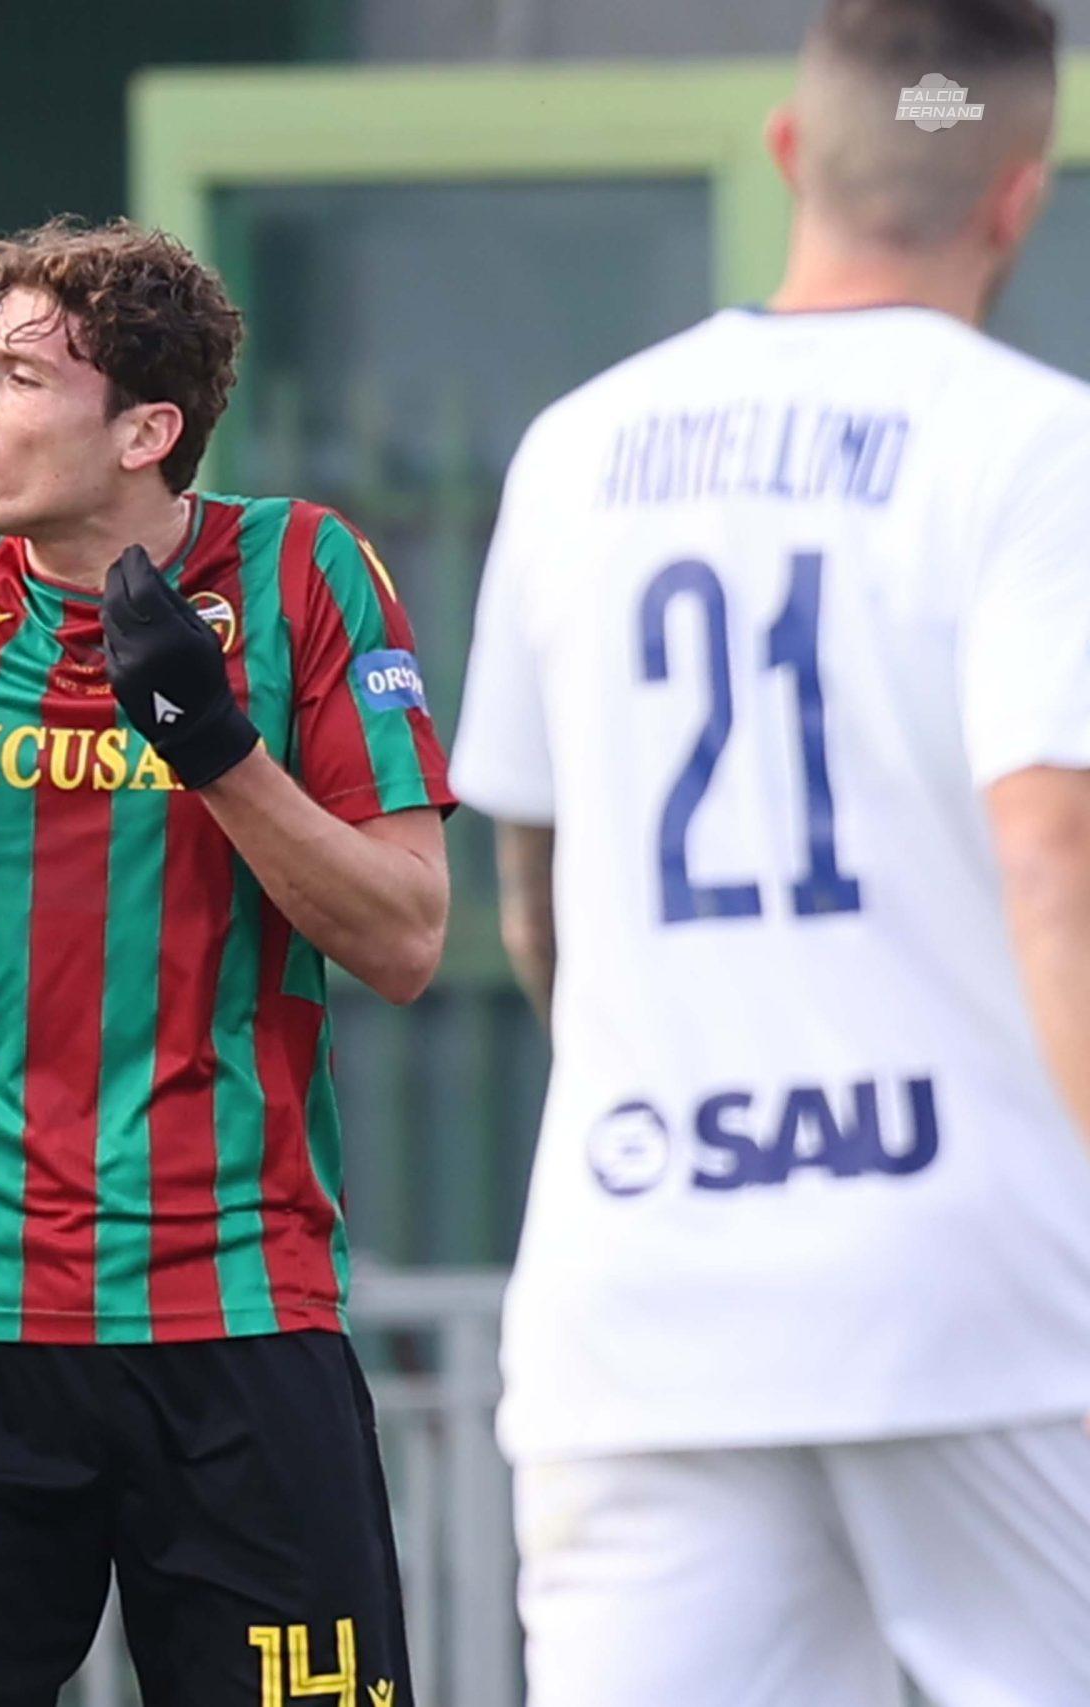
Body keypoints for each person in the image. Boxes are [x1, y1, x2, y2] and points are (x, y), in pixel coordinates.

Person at [449, 2, 1090, 1701]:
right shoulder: (1037, 445)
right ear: (1017, 198)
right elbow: (1057, 871)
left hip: (649, 1286)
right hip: (977, 1290)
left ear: (794, 149)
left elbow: (536, 901)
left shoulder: (577, 449)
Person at [0, 217, 457, 1707]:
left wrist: (218, 752)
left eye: (16, 378)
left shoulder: (305, 574)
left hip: (234, 1319)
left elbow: (407, 935)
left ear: (147, 430)